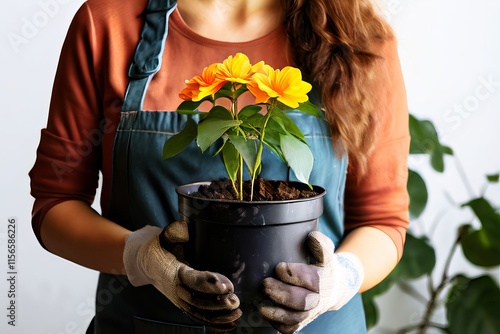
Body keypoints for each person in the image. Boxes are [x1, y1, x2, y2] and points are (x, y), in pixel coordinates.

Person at [29, 0, 410, 333]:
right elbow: (55, 203)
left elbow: (383, 220)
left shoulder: (358, 38)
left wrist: (339, 280)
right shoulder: (108, 23)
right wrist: (140, 256)